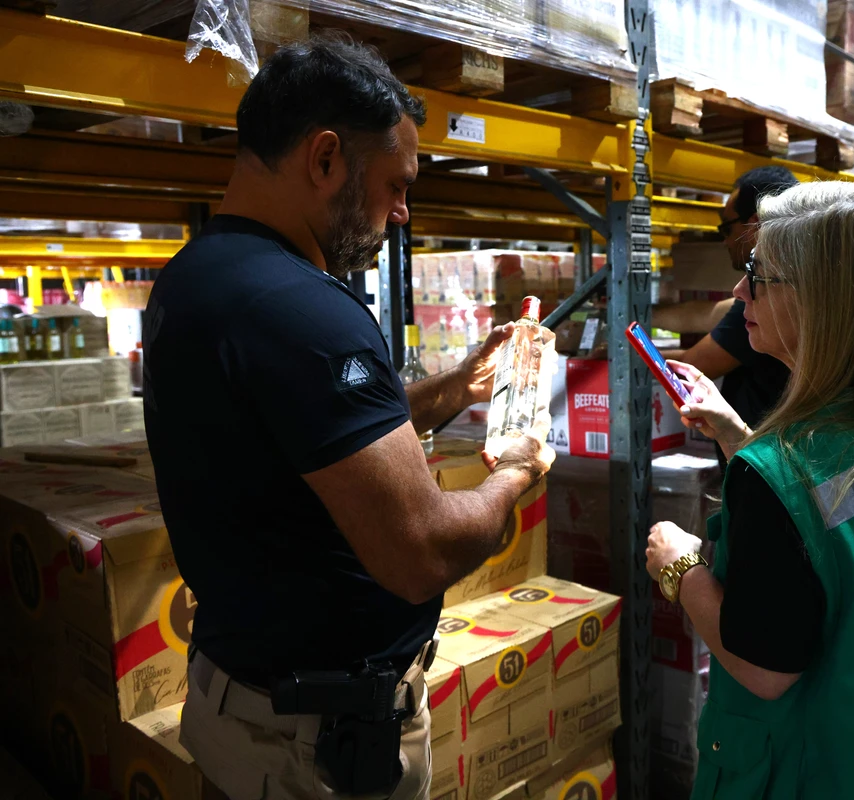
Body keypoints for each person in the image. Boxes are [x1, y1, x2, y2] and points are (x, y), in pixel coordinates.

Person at [142, 35, 554, 800]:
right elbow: (420, 553)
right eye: (395, 185)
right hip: (314, 752)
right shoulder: (305, 308)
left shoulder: (195, 278)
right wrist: (518, 474)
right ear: (326, 157)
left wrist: (458, 386)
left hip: (243, 706)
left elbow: (313, 437)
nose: (401, 214)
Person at [645, 181, 854, 798]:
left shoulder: (777, 475)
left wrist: (679, 567)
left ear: (824, 300)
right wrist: (740, 436)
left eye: (758, 274)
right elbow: (830, 528)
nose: (740, 292)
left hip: (804, 772)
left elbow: (764, 669)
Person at [665, 166, 796, 465]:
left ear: (755, 225)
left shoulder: (776, 297)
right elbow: (709, 314)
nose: (739, 291)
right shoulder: (782, 291)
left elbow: (692, 366)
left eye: (757, 275)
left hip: (768, 473)